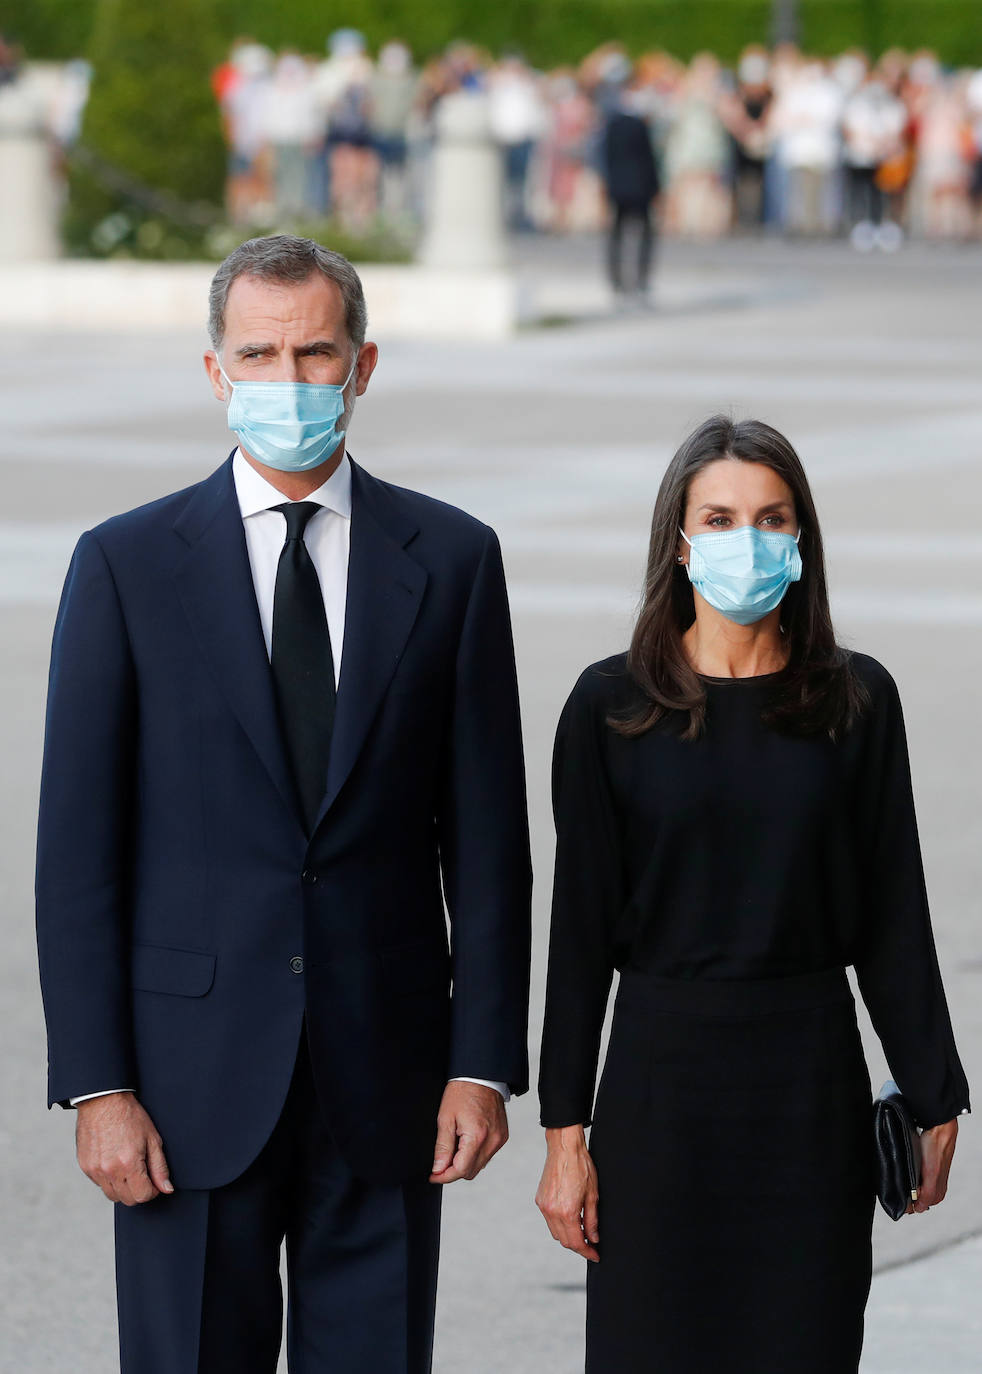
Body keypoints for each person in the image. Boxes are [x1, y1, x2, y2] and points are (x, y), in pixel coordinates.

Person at [36, 234, 532, 1374]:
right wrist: (98, 1084)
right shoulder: (125, 566)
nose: (288, 382)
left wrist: (482, 1061)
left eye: (315, 353)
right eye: (258, 355)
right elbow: (77, 859)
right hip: (182, 1082)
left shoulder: (453, 560)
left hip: (391, 1072)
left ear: (362, 368)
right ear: (215, 373)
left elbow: (491, 847)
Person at [535, 415, 969, 1374]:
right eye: (721, 518)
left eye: (772, 518)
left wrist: (937, 1092)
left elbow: (894, 911)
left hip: (806, 1092)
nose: (749, 540)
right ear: (680, 542)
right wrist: (565, 1134)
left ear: (802, 539)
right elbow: (577, 938)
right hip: (657, 1096)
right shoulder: (611, 707)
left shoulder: (856, 701)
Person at [600, 82, 661, 299]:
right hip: (640, 189)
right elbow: (649, 160)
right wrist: (656, 188)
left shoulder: (612, 125)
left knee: (616, 234)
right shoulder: (641, 126)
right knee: (644, 234)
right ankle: (641, 279)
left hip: (618, 188)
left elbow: (605, 158)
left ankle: (616, 280)